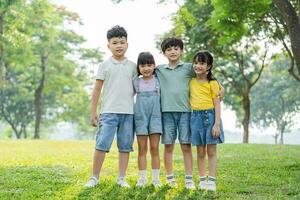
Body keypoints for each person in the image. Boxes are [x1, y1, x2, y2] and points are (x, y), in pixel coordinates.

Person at [155, 37, 224, 189]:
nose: (172, 52)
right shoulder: (159, 70)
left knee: (186, 146)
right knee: (168, 146)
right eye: (169, 49)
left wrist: (220, 86)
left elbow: (206, 76)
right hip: (166, 113)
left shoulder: (189, 68)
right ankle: (170, 178)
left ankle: (189, 179)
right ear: (164, 53)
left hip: (186, 113)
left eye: (176, 48)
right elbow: (144, 73)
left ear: (181, 51)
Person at [84, 25, 137, 188]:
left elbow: (136, 88)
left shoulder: (133, 66)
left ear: (127, 44)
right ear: (108, 46)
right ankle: (94, 177)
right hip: (108, 113)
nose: (119, 45)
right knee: (101, 145)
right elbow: (97, 90)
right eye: (115, 43)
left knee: (125, 146)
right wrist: (93, 112)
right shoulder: (104, 66)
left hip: (128, 113)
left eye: (122, 42)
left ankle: (121, 178)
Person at [189, 50, 224, 192]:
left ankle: (212, 181)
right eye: (196, 63)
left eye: (202, 63)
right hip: (195, 117)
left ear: (209, 66)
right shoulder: (191, 81)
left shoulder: (213, 83)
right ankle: (202, 180)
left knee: (211, 151)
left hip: (210, 117)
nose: (198, 66)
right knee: (200, 152)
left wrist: (216, 124)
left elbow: (217, 104)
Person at [133, 52, 162, 188]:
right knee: (142, 149)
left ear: (154, 66)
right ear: (138, 67)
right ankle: (142, 178)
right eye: (143, 65)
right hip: (140, 117)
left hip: (156, 117)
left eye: (149, 65)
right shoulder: (135, 82)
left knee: (155, 148)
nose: (146, 68)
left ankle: (156, 179)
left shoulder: (159, 80)